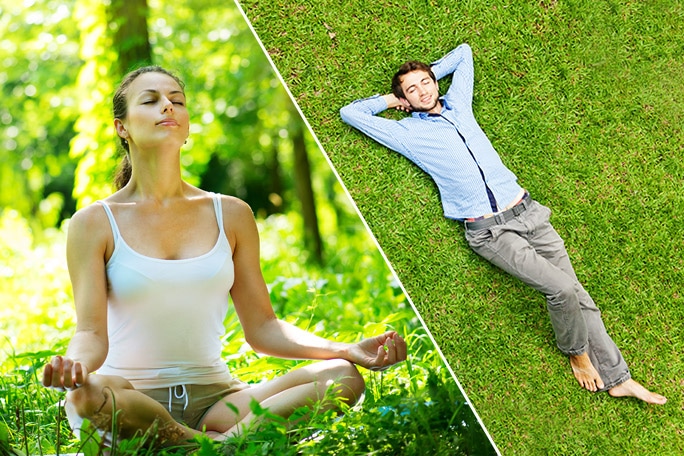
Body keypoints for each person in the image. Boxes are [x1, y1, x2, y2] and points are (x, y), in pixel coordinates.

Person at [42, 65, 407, 447]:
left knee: (342, 376)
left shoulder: (231, 213)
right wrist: (76, 367)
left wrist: (345, 349)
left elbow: (264, 327)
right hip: (133, 397)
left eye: (176, 101)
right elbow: (90, 333)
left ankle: (203, 447)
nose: (167, 106)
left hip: (217, 401)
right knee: (86, 395)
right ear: (123, 127)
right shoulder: (94, 222)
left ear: (185, 125)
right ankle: (227, 446)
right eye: (150, 101)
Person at [339, 43, 666, 405]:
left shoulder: (459, 106)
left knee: (580, 297)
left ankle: (619, 378)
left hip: (529, 213)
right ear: (404, 100)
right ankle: (577, 353)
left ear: (436, 81)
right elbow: (350, 113)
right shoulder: (406, 134)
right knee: (562, 290)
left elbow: (463, 53)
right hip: (491, 231)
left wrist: (430, 75)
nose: (423, 91)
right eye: (411, 90)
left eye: (426, 82)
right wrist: (389, 100)